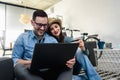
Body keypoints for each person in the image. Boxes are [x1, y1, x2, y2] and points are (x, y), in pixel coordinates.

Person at [12, 10, 76, 80]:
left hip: (50, 72)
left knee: (68, 67)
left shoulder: (52, 40)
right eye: (39, 25)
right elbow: (16, 60)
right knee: (18, 68)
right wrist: (33, 63)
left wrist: (69, 61)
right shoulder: (22, 38)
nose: (42, 28)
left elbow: (59, 59)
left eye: (45, 25)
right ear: (32, 23)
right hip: (31, 73)